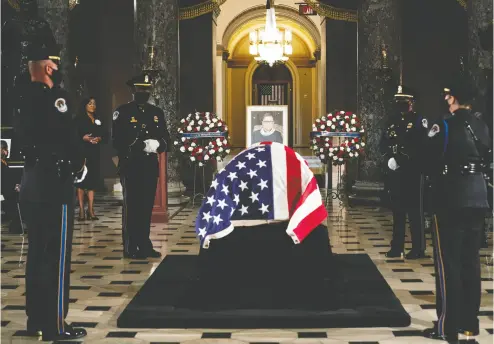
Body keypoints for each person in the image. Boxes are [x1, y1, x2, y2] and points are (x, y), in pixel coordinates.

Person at [16, 42, 87, 341]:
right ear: (49, 68)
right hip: (54, 184)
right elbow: (66, 137)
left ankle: (36, 320)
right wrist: (78, 166)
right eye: (57, 67)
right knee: (56, 257)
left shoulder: (20, 96)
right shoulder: (57, 98)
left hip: (32, 182)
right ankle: (56, 325)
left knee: (36, 256)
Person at [422, 82, 491, 342]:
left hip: (450, 198)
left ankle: (446, 327)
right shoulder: (482, 125)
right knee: (470, 262)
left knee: (447, 264)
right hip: (478, 197)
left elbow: (429, 158)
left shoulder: (445, 124)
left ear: (452, 98)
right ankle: (469, 324)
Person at [112, 73, 170, 259]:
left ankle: (144, 244)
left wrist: (158, 145)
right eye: (139, 89)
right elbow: (117, 140)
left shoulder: (156, 113)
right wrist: (139, 145)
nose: (143, 92)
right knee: (132, 207)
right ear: (133, 90)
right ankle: (131, 246)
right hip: (131, 164)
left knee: (146, 207)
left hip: (149, 166)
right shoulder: (123, 112)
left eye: (146, 89)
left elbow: (167, 139)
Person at [379, 86, 427, 259]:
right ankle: (397, 246)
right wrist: (388, 158)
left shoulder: (419, 121)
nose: (401, 105)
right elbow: (383, 143)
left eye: (404, 101)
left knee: (415, 211)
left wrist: (400, 159)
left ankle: (418, 248)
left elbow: (419, 146)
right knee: (397, 210)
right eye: (398, 101)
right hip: (395, 172)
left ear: (412, 102)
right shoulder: (391, 121)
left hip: (412, 171)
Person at [74, 97, 104, 221]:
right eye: (90, 103)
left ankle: (90, 209)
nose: (92, 105)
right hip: (82, 152)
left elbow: (104, 133)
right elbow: (73, 135)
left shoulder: (98, 119)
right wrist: (83, 138)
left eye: (94, 103)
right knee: (81, 182)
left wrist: (100, 138)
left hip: (95, 153)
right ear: (85, 105)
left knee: (92, 181)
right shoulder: (78, 119)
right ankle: (81, 209)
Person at [1, 140, 22, 234]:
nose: (7, 152)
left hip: (7, 191)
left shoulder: (4, 162)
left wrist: (15, 185)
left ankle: (15, 228)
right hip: (4, 192)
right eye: (5, 149)